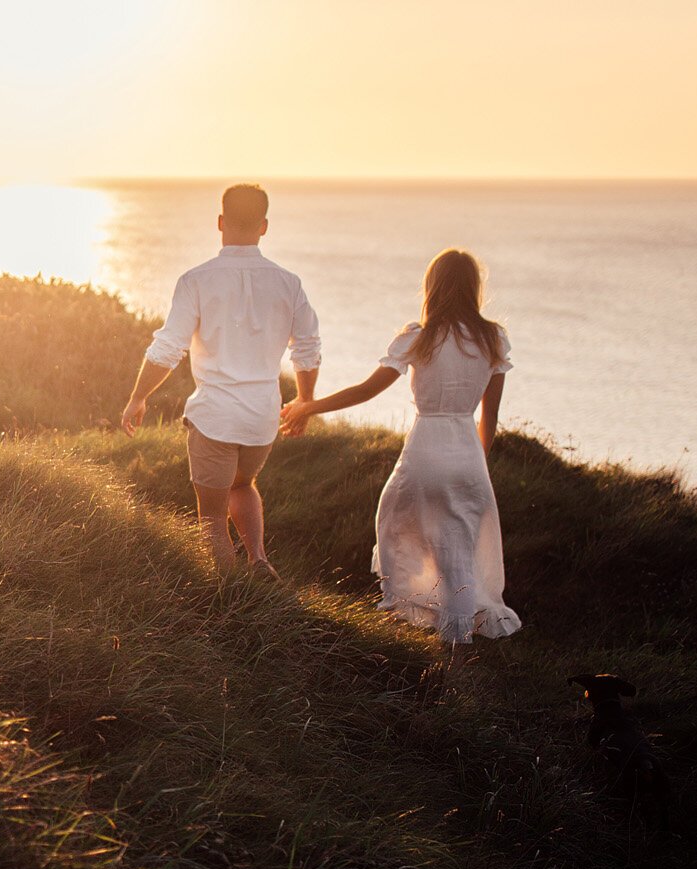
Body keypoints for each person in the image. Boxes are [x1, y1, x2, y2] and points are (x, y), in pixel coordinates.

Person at [278, 249, 521, 666]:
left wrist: (308, 406)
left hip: (426, 448)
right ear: (473, 289)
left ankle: (405, 612)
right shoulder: (492, 338)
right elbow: (491, 416)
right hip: (467, 454)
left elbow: (366, 390)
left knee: (393, 523)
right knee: (458, 550)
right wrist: (472, 465)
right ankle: (455, 651)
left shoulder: (418, 336)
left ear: (433, 287)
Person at [121, 183, 321, 578]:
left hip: (214, 417)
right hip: (261, 419)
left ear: (220, 222)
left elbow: (168, 348)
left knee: (211, 518)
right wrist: (304, 402)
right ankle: (259, 561)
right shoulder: (288, 283)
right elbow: (308, 348)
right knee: (243, 485)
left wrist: (137, 397)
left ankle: (230, 597)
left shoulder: (197, 280)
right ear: (264, 226)